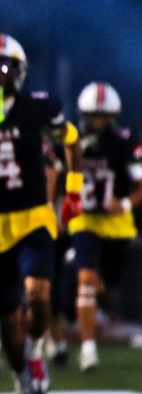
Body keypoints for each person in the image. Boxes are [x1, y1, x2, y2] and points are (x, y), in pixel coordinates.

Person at [0, 34, 81, 394]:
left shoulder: (38, 108)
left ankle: (34, 351)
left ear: (19, 71)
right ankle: (20, 381)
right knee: (7, 315)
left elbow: (72, 140)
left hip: (33, 215)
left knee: (38, 294)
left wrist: (74, 190)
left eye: (5, 67)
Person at [68, 82, 141, 371]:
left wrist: (124, 204)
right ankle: (88, 349)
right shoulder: (70, 139)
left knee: (108, 284)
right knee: (86, 278)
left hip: (115, 223)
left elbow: (140, 184)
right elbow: (56, 175)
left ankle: (102, 306)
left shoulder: (124, 141)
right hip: (84, 218)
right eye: (93, 115)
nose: (97, 121)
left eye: (103, 116)